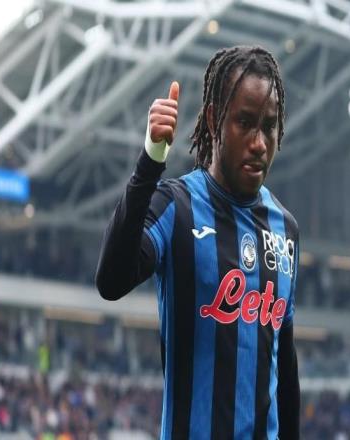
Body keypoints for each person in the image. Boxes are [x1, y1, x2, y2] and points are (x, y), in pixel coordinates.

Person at [96, 45, 300, 439]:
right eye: (245, 122)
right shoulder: (176, 206)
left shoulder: (285, 230)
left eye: (269, 126)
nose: (259, 142)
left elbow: (285, 366)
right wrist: (151, 160)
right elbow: (111, 280)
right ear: (213, 119)